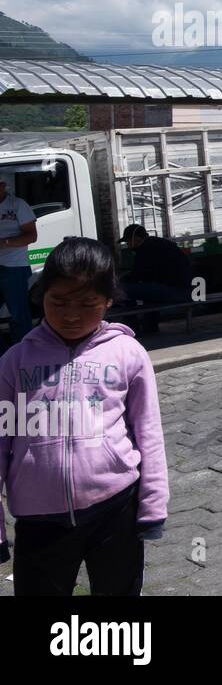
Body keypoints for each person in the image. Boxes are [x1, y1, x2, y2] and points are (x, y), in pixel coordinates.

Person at [0, 236, 169, 594]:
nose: (72, 314)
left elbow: (148, 432)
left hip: (114, 508)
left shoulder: (128, 353)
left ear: (108, 300)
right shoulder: (15, 361)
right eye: (58, 301)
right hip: (38, 517)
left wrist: (153, 504)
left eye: (88, 303)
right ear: (41, 295)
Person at [119, 224, 192, 335]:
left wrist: (122, 280)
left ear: (136, 239)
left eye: (128, 241)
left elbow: (139, 274)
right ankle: (149, 327)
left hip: (176, 291)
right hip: (183, 289)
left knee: (123, 290)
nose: (128, 245)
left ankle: (132, 329)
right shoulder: (156, 243)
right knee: (148, 290)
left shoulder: (145, 249)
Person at [0, 175, 38, 345]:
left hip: (14, 267)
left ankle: (23, 351)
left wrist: (5, 243)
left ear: (2, 186)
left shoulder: (17, 205)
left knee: (18, 313)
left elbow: (31, 236)